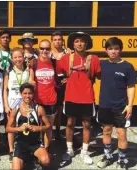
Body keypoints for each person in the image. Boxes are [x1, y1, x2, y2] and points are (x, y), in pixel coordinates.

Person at [57, 32, 101, 164]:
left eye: (82, 41)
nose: (80, 43)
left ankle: (84, 151)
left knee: (86, 124)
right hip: (70, 96)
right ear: (73, 44)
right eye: (76, 41)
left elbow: (99, 75)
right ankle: (69, 149)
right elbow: (58, 73)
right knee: (70, 123)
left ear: (87, 43)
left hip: (87, 97)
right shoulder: (66, 58)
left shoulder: (94, 59)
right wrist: (62, 80)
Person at [96, 37, 137, 169]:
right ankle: (107, 157)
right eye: (110, 49)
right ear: (106, 50)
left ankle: (122, 160)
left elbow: (131, 87)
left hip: (121, 107)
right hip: (104, 105)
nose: (113, 51)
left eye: (116, 49)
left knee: (121, 134)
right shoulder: (102, 64)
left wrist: (130, 105)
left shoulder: (128, 66)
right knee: (106, 131)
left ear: (120, 50)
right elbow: (86, 62)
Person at [6, 83, 51, 170]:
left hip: (35, 143)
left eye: (30, 93)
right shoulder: (16, 109)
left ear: (33, 94)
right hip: (20, 144)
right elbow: (7, 129)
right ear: (20, 94)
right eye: (25, 93)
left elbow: (48, 126)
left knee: (46, 161)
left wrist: (39, 128)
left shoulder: (39, 108)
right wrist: (19, 128)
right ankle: (26, 158)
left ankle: (34, 158)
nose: (27, 96)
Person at [29, 40, 57, 150]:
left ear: (50, 50)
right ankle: (37, 148)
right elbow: (31, 80)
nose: (44, 51)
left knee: (48, 127)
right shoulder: (34, 63)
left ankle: (46, 148)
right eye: (42, 48)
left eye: (47, 48)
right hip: (37, 100)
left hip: (51, 100)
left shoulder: (54, 63)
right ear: (39, 49)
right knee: (37, 127)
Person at [3, 47, 30, 162]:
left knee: (25, 126)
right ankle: (11, 150)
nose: (18, 59)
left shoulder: (27, 71)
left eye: (20, 56)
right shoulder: (8, 71)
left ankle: (24, 148)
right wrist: (6, 105)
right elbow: (5, 90)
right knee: (12, 126)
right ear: (12, 58)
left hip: (24, 102)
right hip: (12, 102)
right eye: (15, 57)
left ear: (23, 57)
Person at [50, 31, 69, 140]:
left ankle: (58, 129)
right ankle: (50, 129)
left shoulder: (67, 53)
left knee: (60, 107)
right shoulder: (49, 53)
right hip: (52, 82)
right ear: (52, 41)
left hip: (64, 83)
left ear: (63, 41)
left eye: (59, 39)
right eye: (55, 40)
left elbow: (72, 67)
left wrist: (68, 78)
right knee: (52, 107)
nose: (57, 42)